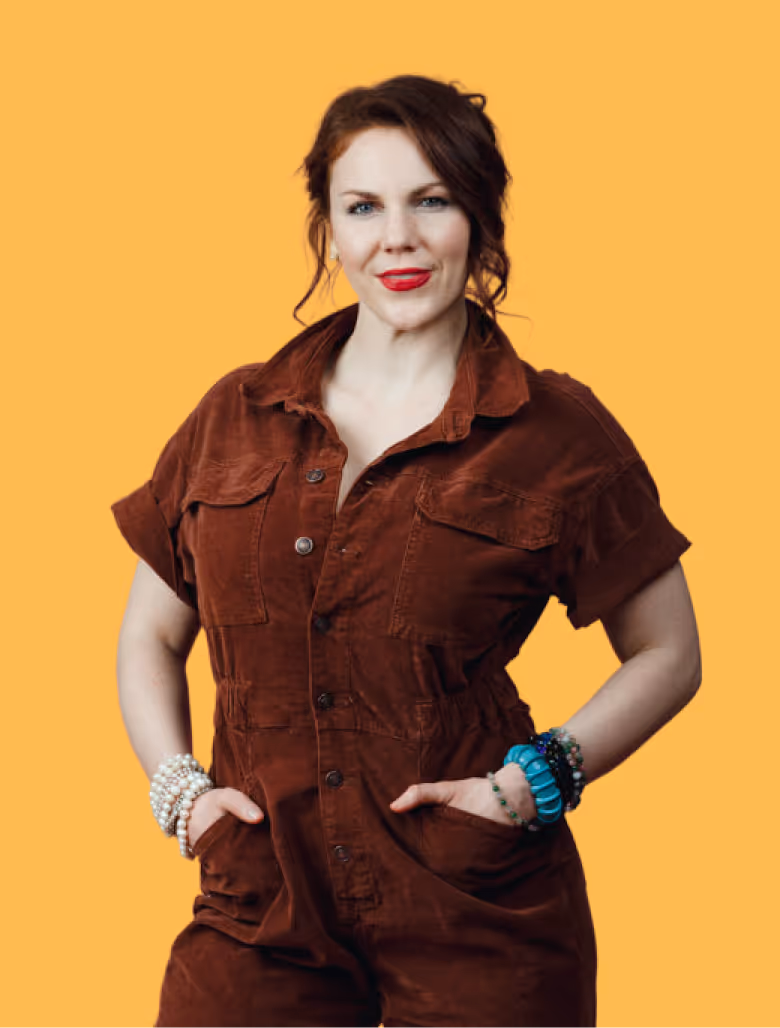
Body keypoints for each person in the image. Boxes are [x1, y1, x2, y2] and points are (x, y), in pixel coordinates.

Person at [111, 74, 700, 1028]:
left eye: (432, 200)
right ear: (329, 228)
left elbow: (671, 653)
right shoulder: (235, 414)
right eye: (364, 206)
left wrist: (533, 784)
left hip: (479, 906)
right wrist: (182, 794)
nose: (399, 238)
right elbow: (149, 635)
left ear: (478, 213)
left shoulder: (557, 432)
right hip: (259, 901)